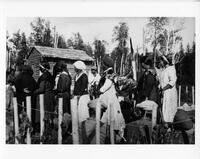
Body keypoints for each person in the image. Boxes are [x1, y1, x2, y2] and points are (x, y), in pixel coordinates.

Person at [98, 56, 125, 140]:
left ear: (106, 65)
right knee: (108, 117)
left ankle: (114, 137)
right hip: (108, 98)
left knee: (112, 117)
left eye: (103, 64)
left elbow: (106, 86)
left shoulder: (110, 73)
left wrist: (99, 90)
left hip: (110, 99)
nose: (102, 65)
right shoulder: (108, 73)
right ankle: (109, 136)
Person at [160, 54, 178, 123]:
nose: (160, 63)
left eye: (161, 61)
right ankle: (166, 124)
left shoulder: (171, 69)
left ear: (165, 61)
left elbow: (173, 81)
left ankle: (170, 125)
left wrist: (163, 89)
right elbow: (163, 81)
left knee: (170, 109)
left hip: (170, 92)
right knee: (165, 108)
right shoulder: (165, 70)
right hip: (165, 92)